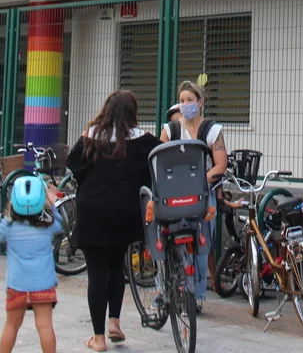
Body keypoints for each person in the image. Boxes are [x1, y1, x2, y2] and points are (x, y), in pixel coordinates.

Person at [67, 90, 161, 352]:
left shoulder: (91, 136)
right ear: (132, 112)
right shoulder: (144, 140)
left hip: (92, 211)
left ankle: (98, 338)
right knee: (116, 267)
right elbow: (158, 163)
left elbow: (73, 164)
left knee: (96, 273)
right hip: (123, 213)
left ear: (106, 109)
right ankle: (114, 323)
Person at [159, 81, 229, 312]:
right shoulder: (171, 129)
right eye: (182, 100)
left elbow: (220, 165)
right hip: (174, 194)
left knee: (201, 244)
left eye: (190, 100)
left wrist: (198, 182)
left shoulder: (212, 131)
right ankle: (163, 290)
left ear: (200, 102)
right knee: (166, 239)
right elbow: (159, 159)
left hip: (202, 194)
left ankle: (196, 296)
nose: (185, 104)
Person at [0, 175, 63, 353]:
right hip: (43, 283)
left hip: (17, 284)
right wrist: (52, 207)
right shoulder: (47, 225)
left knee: (11, 325)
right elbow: (60, 225)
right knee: (45, 326)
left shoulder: (9, 225)